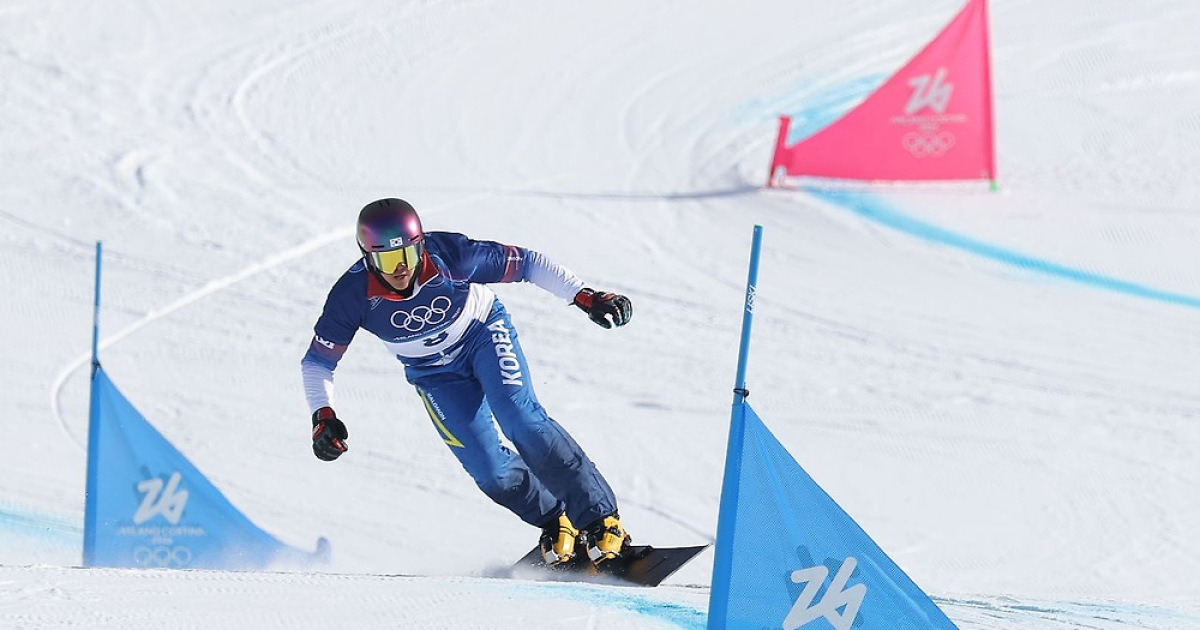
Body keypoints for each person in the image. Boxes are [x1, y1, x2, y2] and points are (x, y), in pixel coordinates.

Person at [300, 198, 634, 568]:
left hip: (481, 336)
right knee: (488, 469)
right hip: (433, 373)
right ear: (366, 256)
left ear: (421, 244)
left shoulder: (450, 256)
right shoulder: (351, 295)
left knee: (519, 418)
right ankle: (557, 520)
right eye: (387, 261)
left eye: (408, 256)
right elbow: (317, 362)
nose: (400, 270)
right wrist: (323, 414)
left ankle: (599, 517)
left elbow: (526, 263)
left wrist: (584, 295)